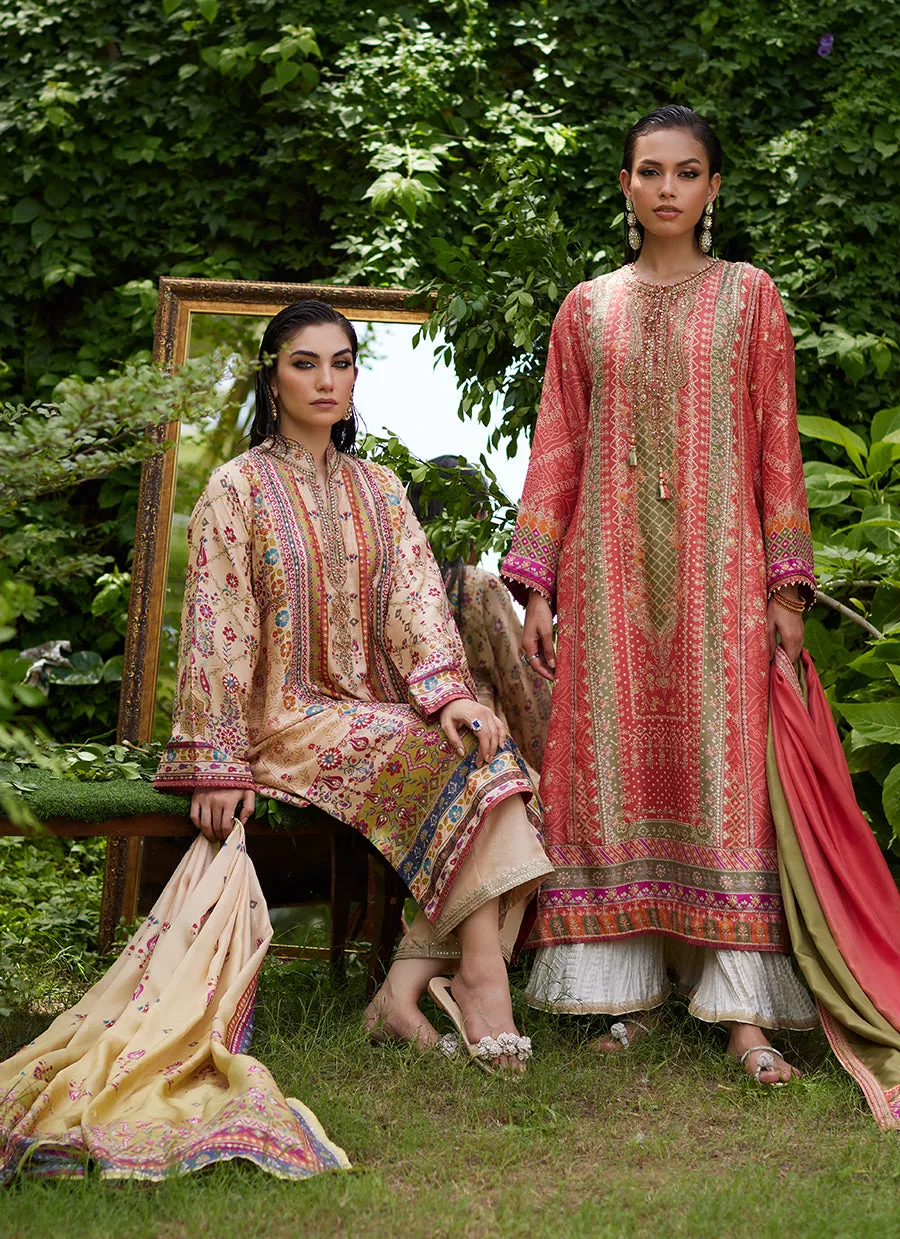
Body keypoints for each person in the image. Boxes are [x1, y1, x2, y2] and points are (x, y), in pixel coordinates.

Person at [501, 105, 818, 1086]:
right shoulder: (585, 309)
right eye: (651, 171)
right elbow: (558, 446)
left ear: (713, 188)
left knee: (724, 780)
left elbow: (777, 443)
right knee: (620, 768)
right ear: (627, 186)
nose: (669, 188)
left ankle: (743, 1017)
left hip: (723, 578)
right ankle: (627, 996)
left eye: (688, 172)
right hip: (606, 582)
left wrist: (787, 585)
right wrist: (538, 582)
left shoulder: (751, 299)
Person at [154, 300, 552, 1070]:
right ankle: (479, 980)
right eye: (305, 363)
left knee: (491, 756)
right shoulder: (236, 489)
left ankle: (402, 995)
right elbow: (218, 628)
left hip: (375, 710)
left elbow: (417, 605)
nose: (325, 379)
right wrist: (219, 758)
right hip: (287, 720)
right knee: (468, 764)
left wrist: (452, 695)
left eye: (341, 362)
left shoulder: (380, 489)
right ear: (273, 380)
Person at [408, 457, 552, 780]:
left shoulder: (405, 589)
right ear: (469, 518)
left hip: (420, 750)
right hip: (483, 749)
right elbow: (524, 692)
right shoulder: (478, 587)